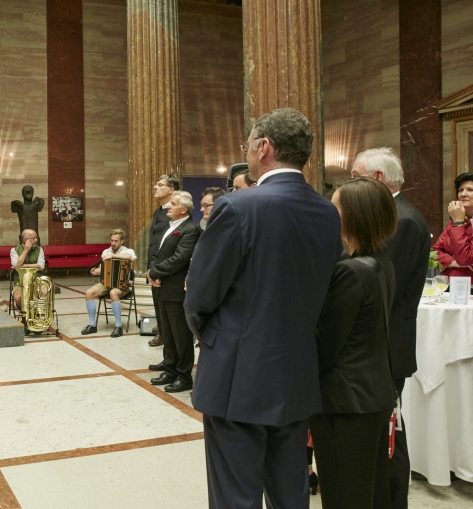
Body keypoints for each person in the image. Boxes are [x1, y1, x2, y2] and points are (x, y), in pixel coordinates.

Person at [184, 108, 342, 508]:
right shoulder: (327, 212)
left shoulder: (238, 207)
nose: (247, 152)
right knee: (291, 490)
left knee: (236, 494)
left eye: (248, 145)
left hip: (237, 373)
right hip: (295, 371)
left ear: (264, 147)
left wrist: (213, 337)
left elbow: (200, 295)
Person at [311, 177, 398, 509]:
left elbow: (326, 346)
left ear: (352, 215)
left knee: (344, 496)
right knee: (369, 494)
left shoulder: (350, 272)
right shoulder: (381, 263)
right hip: (371, 395)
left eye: (335, 206)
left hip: (345, 402)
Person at [351, 147, 431, 507]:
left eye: (356, 177)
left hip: (387, 344)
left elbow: (385, 287)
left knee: (389, 431)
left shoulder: (403, 220)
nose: (352, 185)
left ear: (378, 179)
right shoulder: (393, 215)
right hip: (380, 342)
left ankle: (392, 499)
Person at [147, 191, 200, 393]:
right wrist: (152, 271)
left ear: (183, 209)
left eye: (173, 203)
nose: (168, 206)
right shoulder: (170, 227)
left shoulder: (190, 229)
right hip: (161, 287)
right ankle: (170, 369)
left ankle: (184, 376)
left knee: (180, 335)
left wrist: (155, 270)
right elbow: (157, 253)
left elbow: (180, 258)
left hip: (176, 289)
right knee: (167, 332)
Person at [81, 229, 137, 338]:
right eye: (111, 240)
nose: (113, 243)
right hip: (106, 283)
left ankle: (118, 326)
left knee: (113, 293)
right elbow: (102, 270)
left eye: (116, 241)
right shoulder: (106, 252)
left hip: (122, 285)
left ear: (121, 241)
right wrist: (94, 271)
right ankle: (92, 325)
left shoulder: (128, 251)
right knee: (89, 293)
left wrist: (113, 256)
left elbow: (129, 257)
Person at [147, 173, 179, 348]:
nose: (156, 187)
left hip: (164, 267)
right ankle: (162, 332)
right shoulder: (158, 211)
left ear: (171, 189)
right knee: (157, 303)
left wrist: (157, 268)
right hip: (154, 265)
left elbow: (168, 243)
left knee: (165, 305)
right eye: (156, 184)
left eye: (160, 185)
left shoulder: (173, 212)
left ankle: (166, 336)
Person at [433, 172, 473, 278]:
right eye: (460, 190)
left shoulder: (458, 220)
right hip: (449, 286)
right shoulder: (457, 220)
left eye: (470, 190)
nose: (463, 194)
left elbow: (465, 259)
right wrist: (454, 262)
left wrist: (458, 222)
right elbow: (434, 253)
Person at [10, 228, 46, 309]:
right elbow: (16, 265)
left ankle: (38, 311)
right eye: (33, 238)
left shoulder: (39, 250)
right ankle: (23, 313)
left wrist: (22, 266)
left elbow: (41, 266)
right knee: (18, 297)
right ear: (26, 240)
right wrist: (26, 250)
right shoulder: (14, 250)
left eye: (36, 237)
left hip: (37, 281)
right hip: (20, 282)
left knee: (45, 292)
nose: (36, 240)